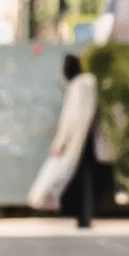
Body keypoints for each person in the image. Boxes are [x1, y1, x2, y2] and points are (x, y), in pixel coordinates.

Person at [34, 52, 106, 230]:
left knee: (79, 178)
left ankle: (83, 216)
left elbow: (71, 118)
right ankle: (84, 215)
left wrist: (61, 142)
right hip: (90, 138)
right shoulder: (90, 83)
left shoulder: (78, 85)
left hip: (79, 140)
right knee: (86, 178)